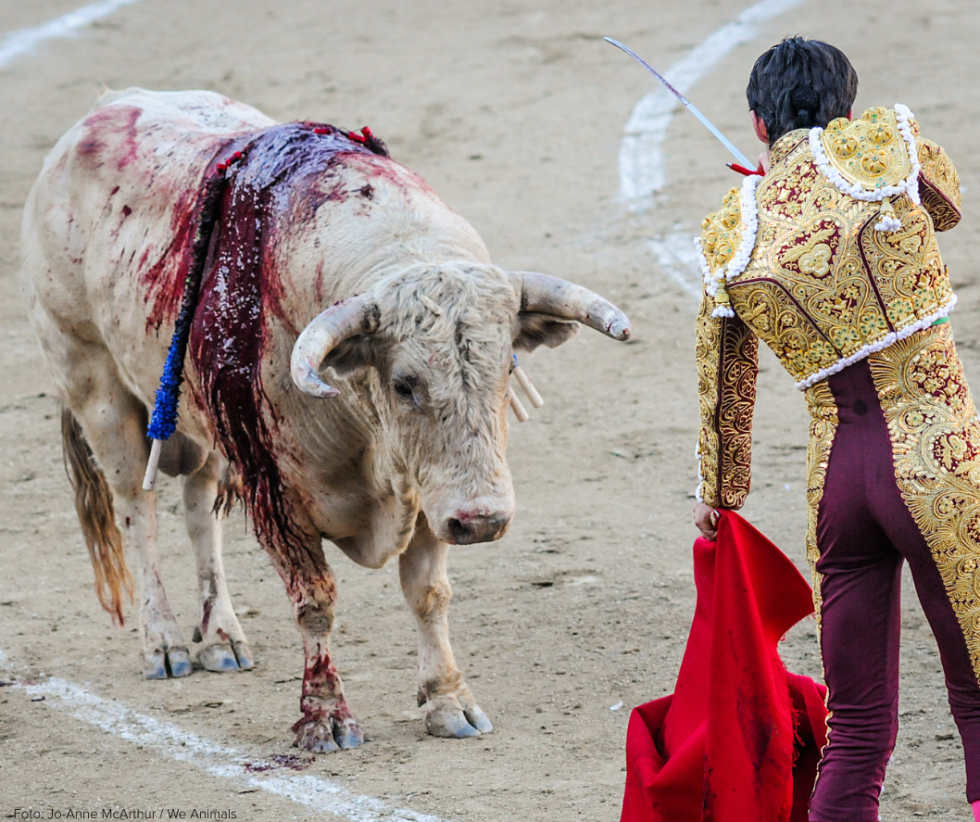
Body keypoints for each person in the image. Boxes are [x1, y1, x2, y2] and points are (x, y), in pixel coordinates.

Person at [691, 37, 978, 821]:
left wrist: (721, 494)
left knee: (854, 732)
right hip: (940, 460)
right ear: (850, 105)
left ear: (757, 125)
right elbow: (946, 204)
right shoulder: (884, 145)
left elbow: (727, 388)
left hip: (837, 484)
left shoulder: (731, 228)